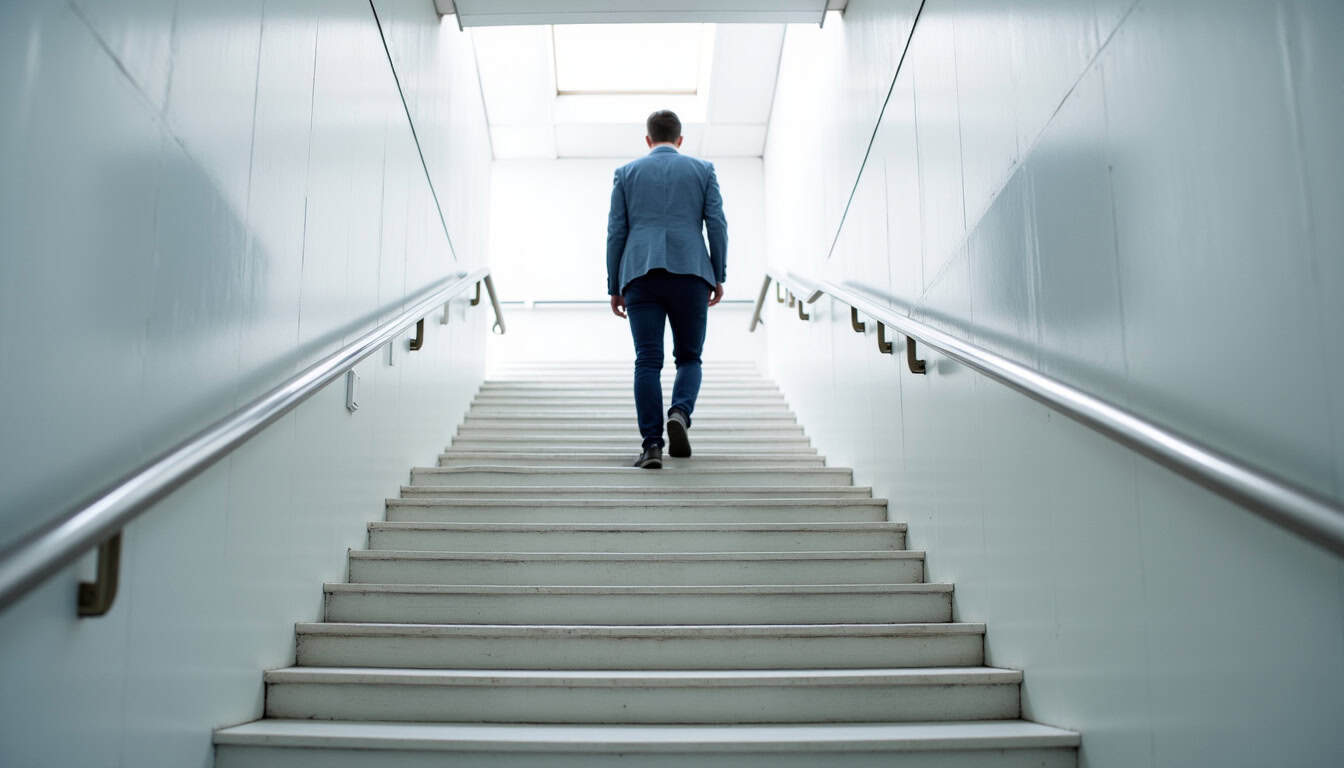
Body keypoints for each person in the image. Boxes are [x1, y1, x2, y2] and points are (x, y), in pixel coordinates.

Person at [607, 110, 727, 469]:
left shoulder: (626, 173)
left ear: (648, 139)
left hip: (640, 274)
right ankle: (680, 411)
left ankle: (652, 446)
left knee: (647, 360)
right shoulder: (702, 170)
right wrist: (717, 273)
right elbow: (717, 224)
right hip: (690, 271)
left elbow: (616, 232)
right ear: (680, 140)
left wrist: (615, 284)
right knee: (689, 357)